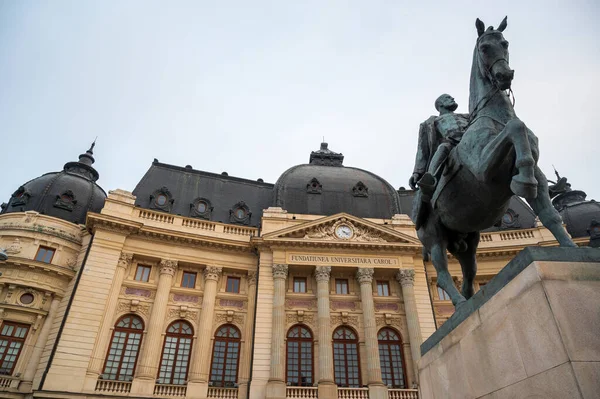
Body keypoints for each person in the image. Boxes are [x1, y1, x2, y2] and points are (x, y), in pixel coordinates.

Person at [409, 94, 468, 202]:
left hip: (470, 141)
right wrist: (417, 172)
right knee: (442, 148)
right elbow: (422, 151)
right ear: (440, 104)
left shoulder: (466, 116)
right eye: (448, 98)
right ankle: (429, 181)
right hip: (452, 145)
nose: (452, 98)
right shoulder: (430, 123)